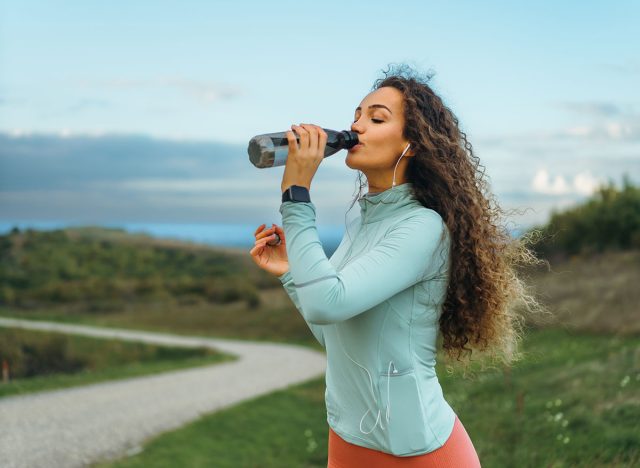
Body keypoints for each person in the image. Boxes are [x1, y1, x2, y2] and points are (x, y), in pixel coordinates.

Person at [250, 64, 548, 467]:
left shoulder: (423, 227)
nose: (357, 127)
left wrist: (296, 194)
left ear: (413, 144)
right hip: (347, 439)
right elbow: (337, 332)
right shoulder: (362, 221)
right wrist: (291, 272)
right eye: (357, 115)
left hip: (416, 452)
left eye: (376, 118)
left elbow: (326, 303)